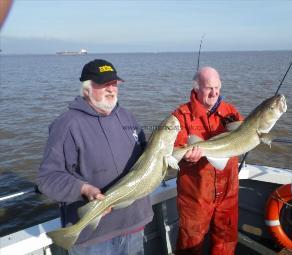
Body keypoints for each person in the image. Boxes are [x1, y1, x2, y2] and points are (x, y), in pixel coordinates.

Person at [37, 59, 153, 255]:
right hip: (93, 238)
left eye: (114, 84)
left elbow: (146, 156)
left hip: (134, 225)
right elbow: (47, 179)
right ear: (87, 89)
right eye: (103, 84)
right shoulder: (67, 125)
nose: (111, 90)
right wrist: (83, 189)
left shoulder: (127, 116)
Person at [172, 66, 243, 255]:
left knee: (226, 241)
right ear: (196, 88)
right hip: (196, 196)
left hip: (228, 191)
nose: (215, 92)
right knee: (190, 243)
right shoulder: (181, 116)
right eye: (208, 88)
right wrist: (188, 159)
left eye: (218, 87)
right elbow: (173, 153)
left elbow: (246, 136)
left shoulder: (230, 112)